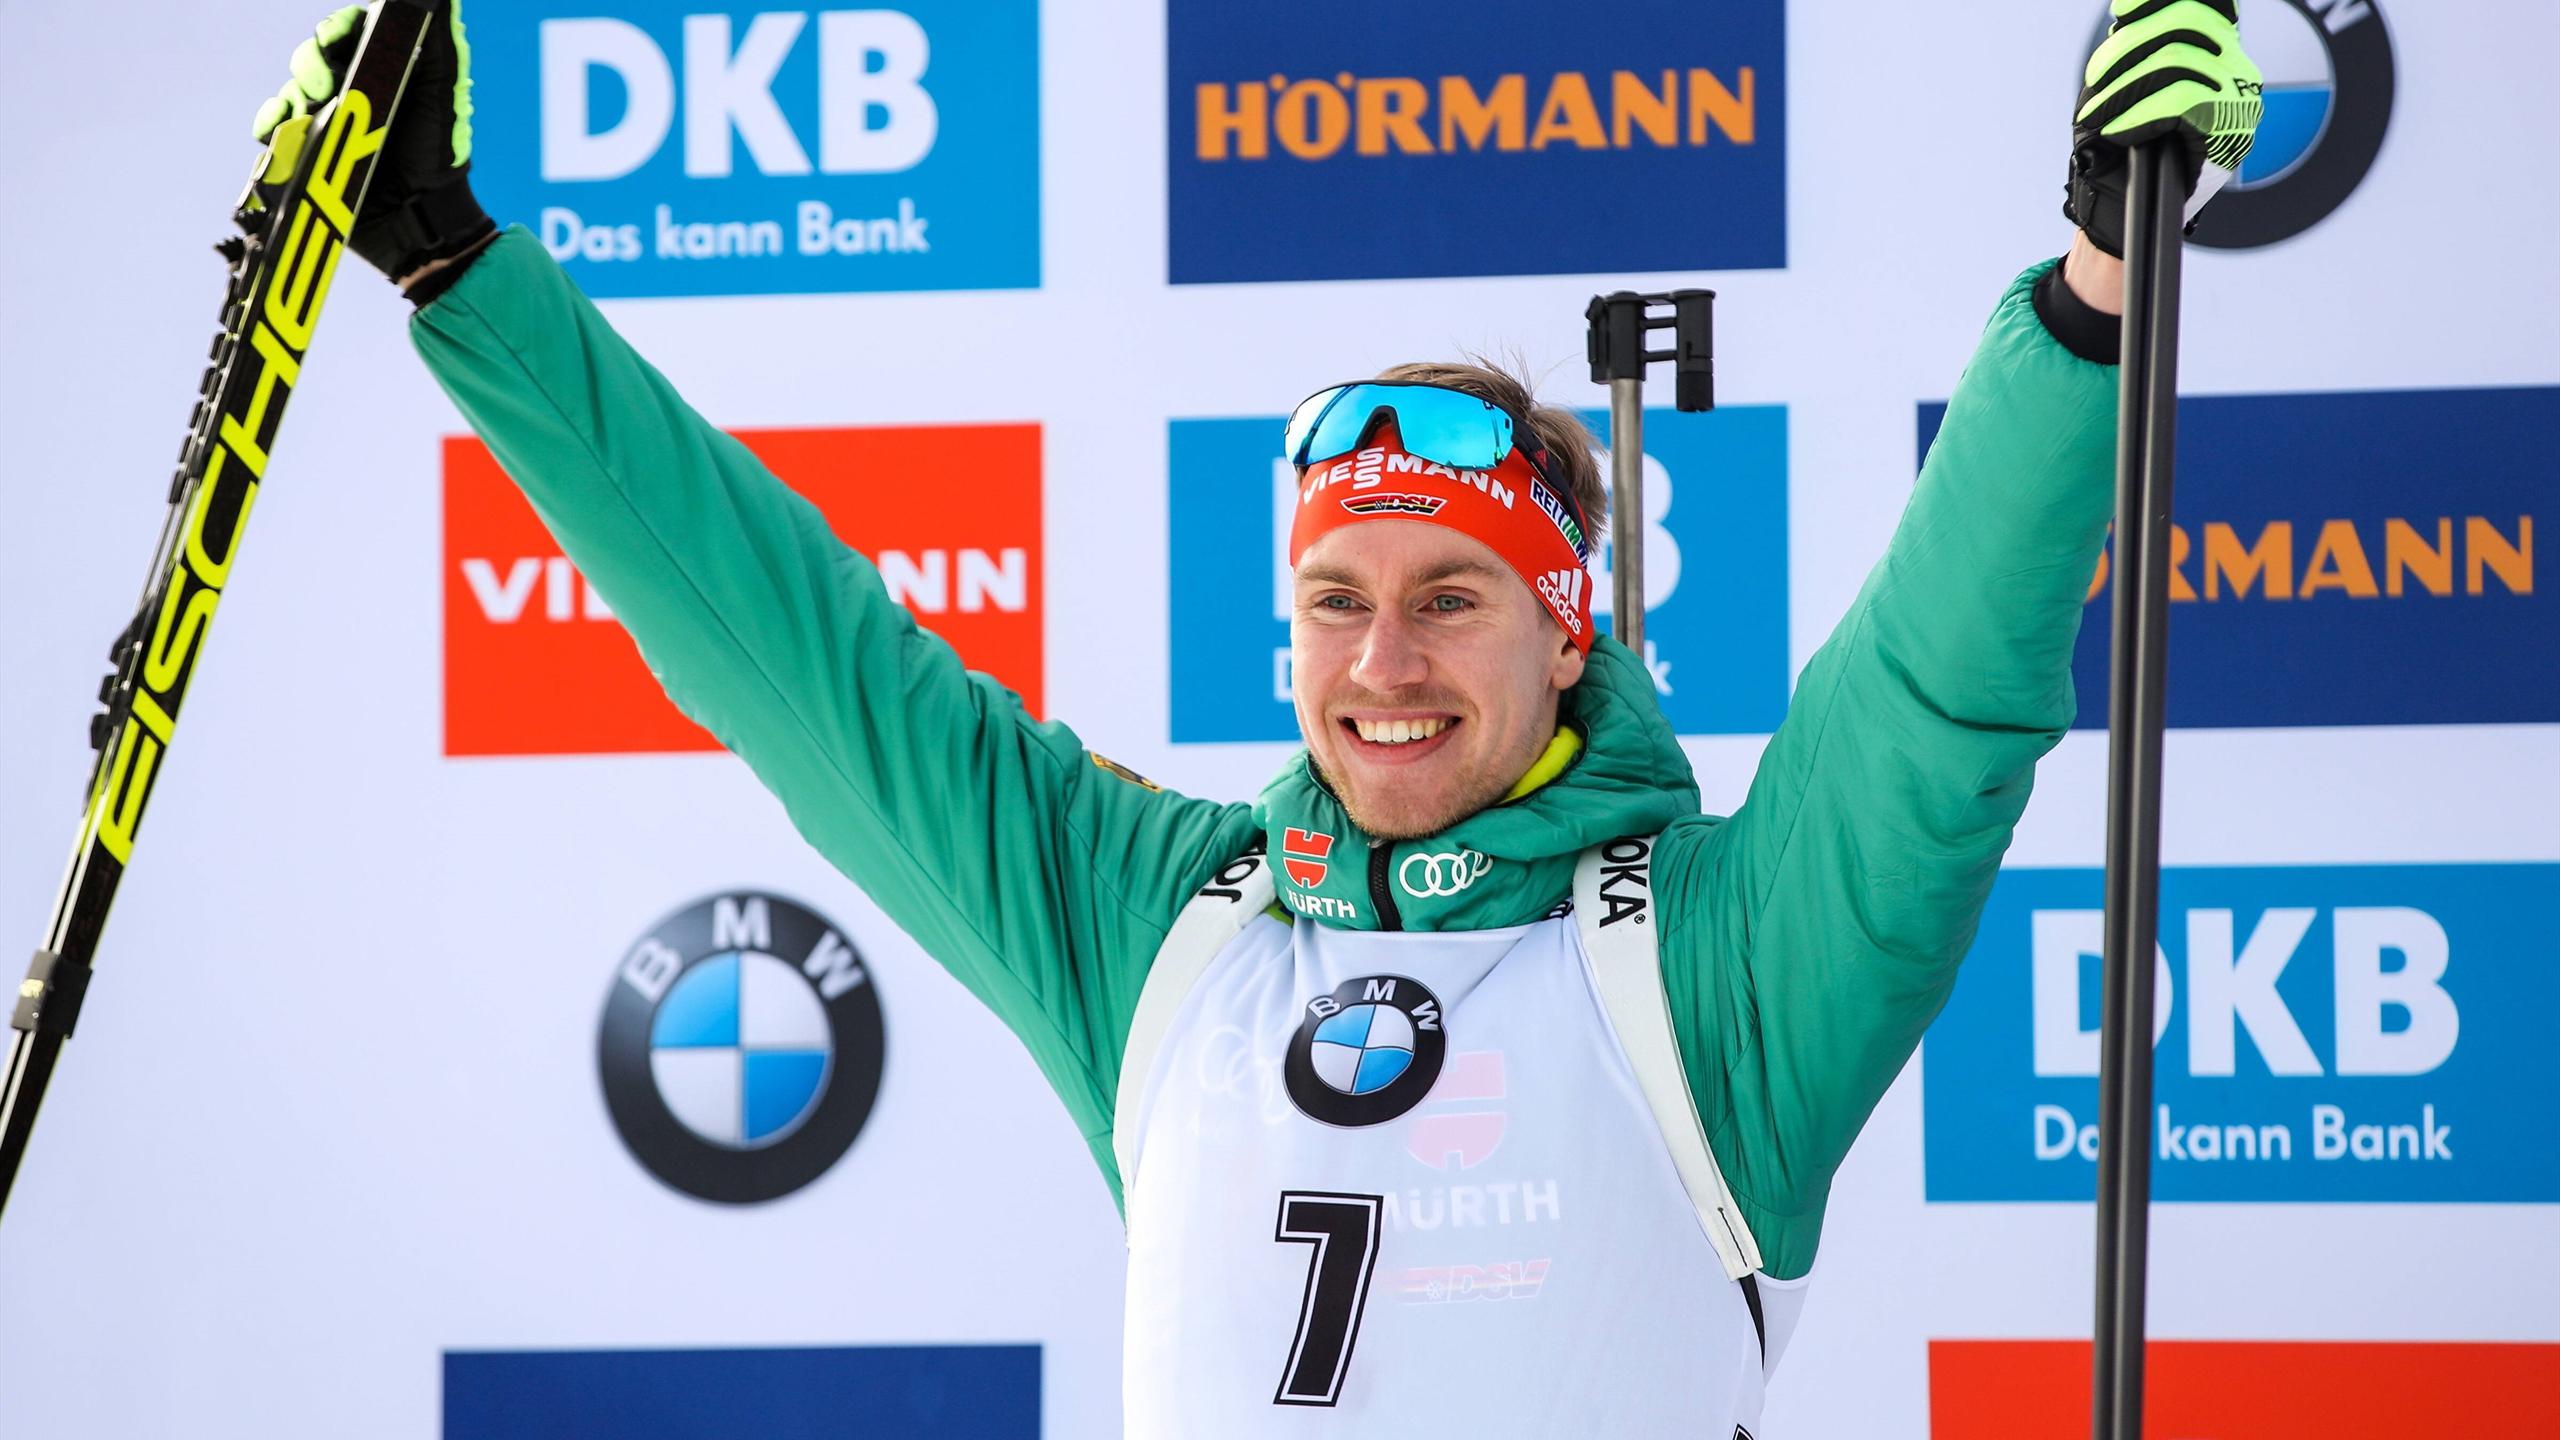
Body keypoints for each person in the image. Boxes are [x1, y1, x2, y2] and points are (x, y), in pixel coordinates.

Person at [251, 2, 2261, 1432]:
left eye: (1448, 601)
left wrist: (2094, 290)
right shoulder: (1170, 928)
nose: (1381, 663)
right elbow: (797, 658)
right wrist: (455, 260)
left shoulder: (1716, 967)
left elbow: (1934, 683)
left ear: (1567, 635)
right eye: (1334, 602)